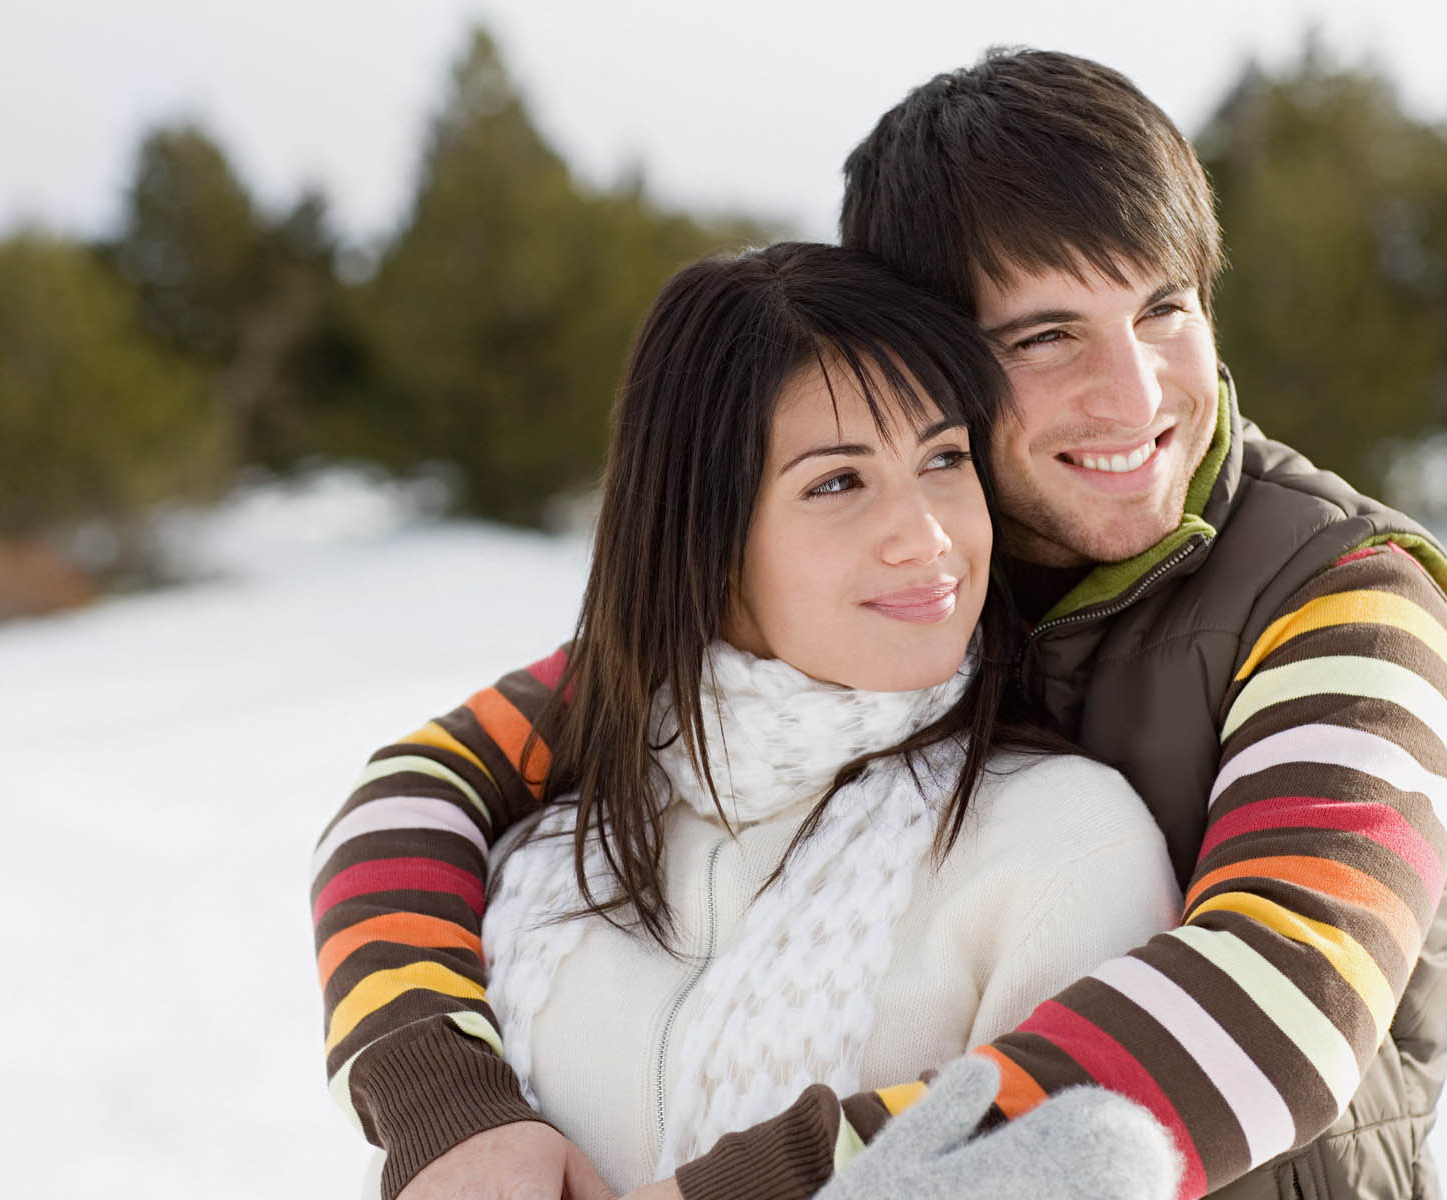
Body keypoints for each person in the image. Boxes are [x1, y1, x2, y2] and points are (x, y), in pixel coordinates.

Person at [311, 49, 1447, 1200]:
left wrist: (749, 1186)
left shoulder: (1350, 596)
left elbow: (1283, 1000)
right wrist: (445, 1103)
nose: (1135, 395)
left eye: (1163, 309)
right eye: (1045, 335)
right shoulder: (922, 569)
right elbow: (426, 785)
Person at [325, 242, 1184, 1199]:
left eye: (943, 459)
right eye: (837, 482)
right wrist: (448, 1109)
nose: (927, 535)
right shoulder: (545, 839)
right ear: (704, 532)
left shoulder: (1062, 845)